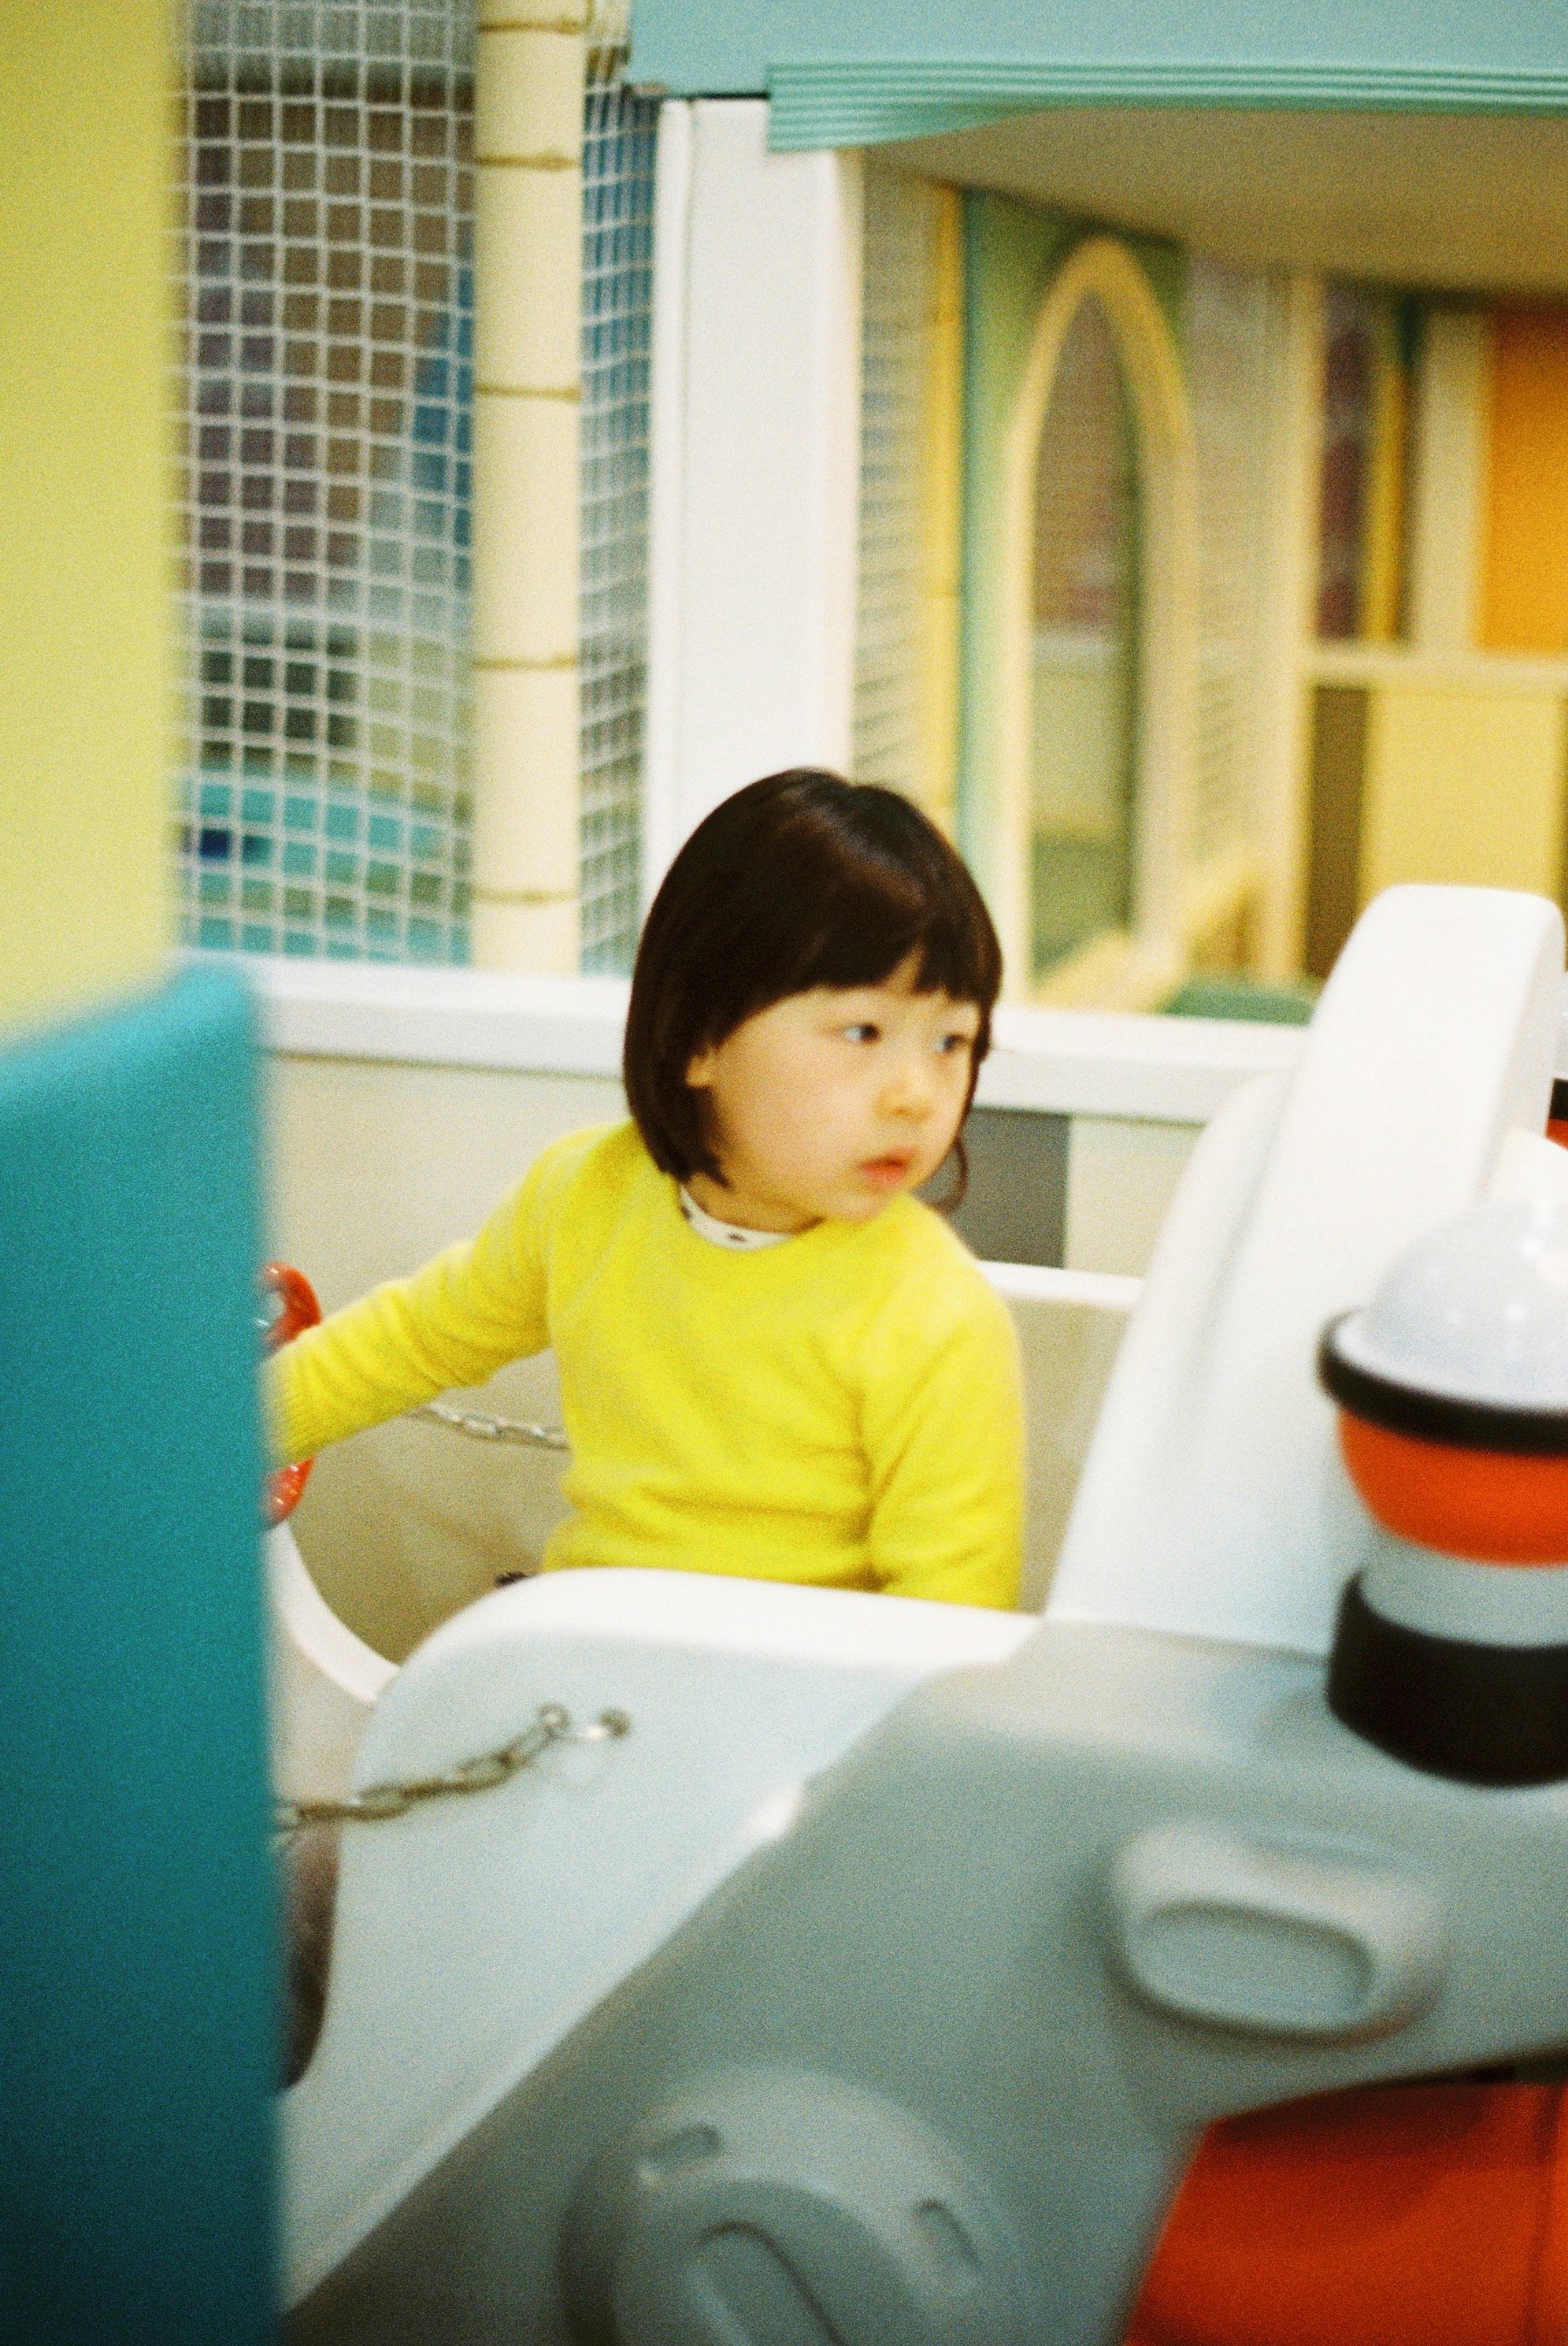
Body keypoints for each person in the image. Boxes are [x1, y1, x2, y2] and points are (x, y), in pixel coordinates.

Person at [269, 768, 1025, 1610]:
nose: (916, 1094)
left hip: (805, 1706)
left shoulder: (935, 1315)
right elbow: (414, 1338)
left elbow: (950, 1615)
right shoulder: (584, 1193)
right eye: (862, 1030)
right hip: (597, 1662)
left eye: (951, 1040)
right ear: (699, 1038)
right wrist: (206, 1439)